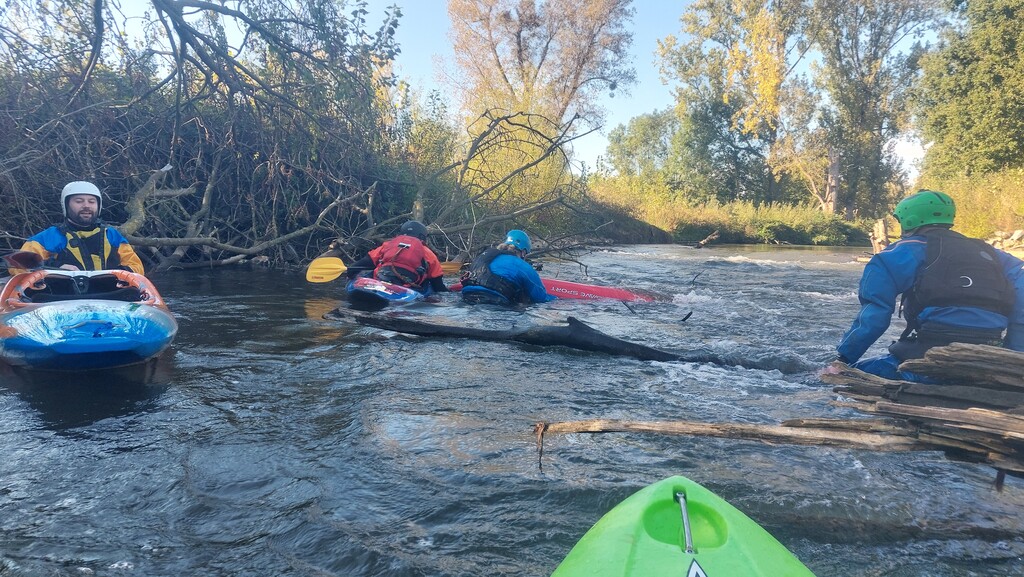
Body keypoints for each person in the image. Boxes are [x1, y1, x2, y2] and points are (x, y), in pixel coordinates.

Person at [831, 189, 1024, 381]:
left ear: (909, 221)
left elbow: (875, 314)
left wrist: (843, 359)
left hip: (928, 358)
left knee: (838, 377)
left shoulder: (896, 254)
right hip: (990, 353)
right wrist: (1013, 353)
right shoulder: (991, 254)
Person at [17, 181, 145, 275]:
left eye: (91, 201)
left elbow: (136, 266)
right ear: (66, 205)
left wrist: (119, 273)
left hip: (109, 293)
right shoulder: (49, 237)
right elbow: (18, 265)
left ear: (98, 206)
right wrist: (56, 266)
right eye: (79, 201)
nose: (86, 206)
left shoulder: (112, 236)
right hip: (61, 296)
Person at [346, 220, 448, 294]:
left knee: (368, 272)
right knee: (428, 283)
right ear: (422, 237)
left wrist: (350, 274)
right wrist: (449, 291)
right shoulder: (428, 253)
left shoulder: (388, 245)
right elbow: (438, 285)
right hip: (407, 288)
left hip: (381, 279)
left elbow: (363, 263)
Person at [460, 229, 556, 306]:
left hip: (466, 297)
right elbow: (540, 297)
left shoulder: (484, 255)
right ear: (523, 252)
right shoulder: (521, 265)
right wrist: (557, 299)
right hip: (494, 303)